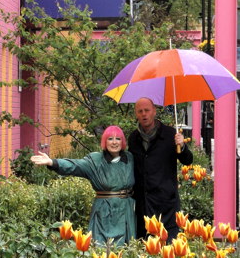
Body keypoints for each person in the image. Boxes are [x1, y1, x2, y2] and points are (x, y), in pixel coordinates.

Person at [30, 126, 136, 245]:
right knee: (102, 248)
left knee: (126, 249)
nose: (114, 142)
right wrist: (53, 162)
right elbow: (75, 165)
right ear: (105, 141)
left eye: (118, 139)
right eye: (110, 139)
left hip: (126, 211)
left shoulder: (130, 159)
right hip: (105, 212)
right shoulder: (95, 161)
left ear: (123, 142)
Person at [128, 97, 193, 241]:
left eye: (147, 110)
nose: (144, 114)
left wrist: (182, 146)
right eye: (140, 111)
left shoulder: (170, 134)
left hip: (166, 204)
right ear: (136, 114)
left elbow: (188, 160)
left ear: (154, 112)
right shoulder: (133, 138)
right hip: (143, 204)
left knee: (167, 251)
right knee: (146, 250)